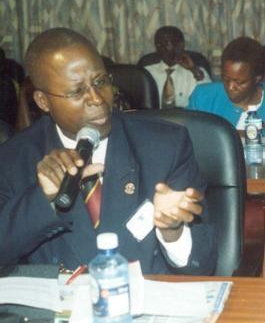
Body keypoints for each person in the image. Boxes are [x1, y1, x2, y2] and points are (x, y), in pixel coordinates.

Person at [0, 27, 216, 275]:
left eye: (100, 81)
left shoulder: (165, 145)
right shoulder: (12, 160)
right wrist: (43, 199)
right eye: (77, 91)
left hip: (149, 302)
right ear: (43, 101)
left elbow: (204, 265)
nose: (97, 98)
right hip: (58, 310)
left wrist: (173, 231)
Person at [187, 37, 265, 129]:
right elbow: (186, 137)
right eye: (226, 79)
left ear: (257, 78)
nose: (230, 87)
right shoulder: (203, 97)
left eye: (239, 82)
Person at [136, 25, 212, 108]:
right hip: (153, 118)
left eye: (167, 43)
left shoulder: (197, 73)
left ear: (180, 45)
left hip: (187, 118)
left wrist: (193, 69)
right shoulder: (146, 72)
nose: (161, 48)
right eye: (158, 45)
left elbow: (209, 97)